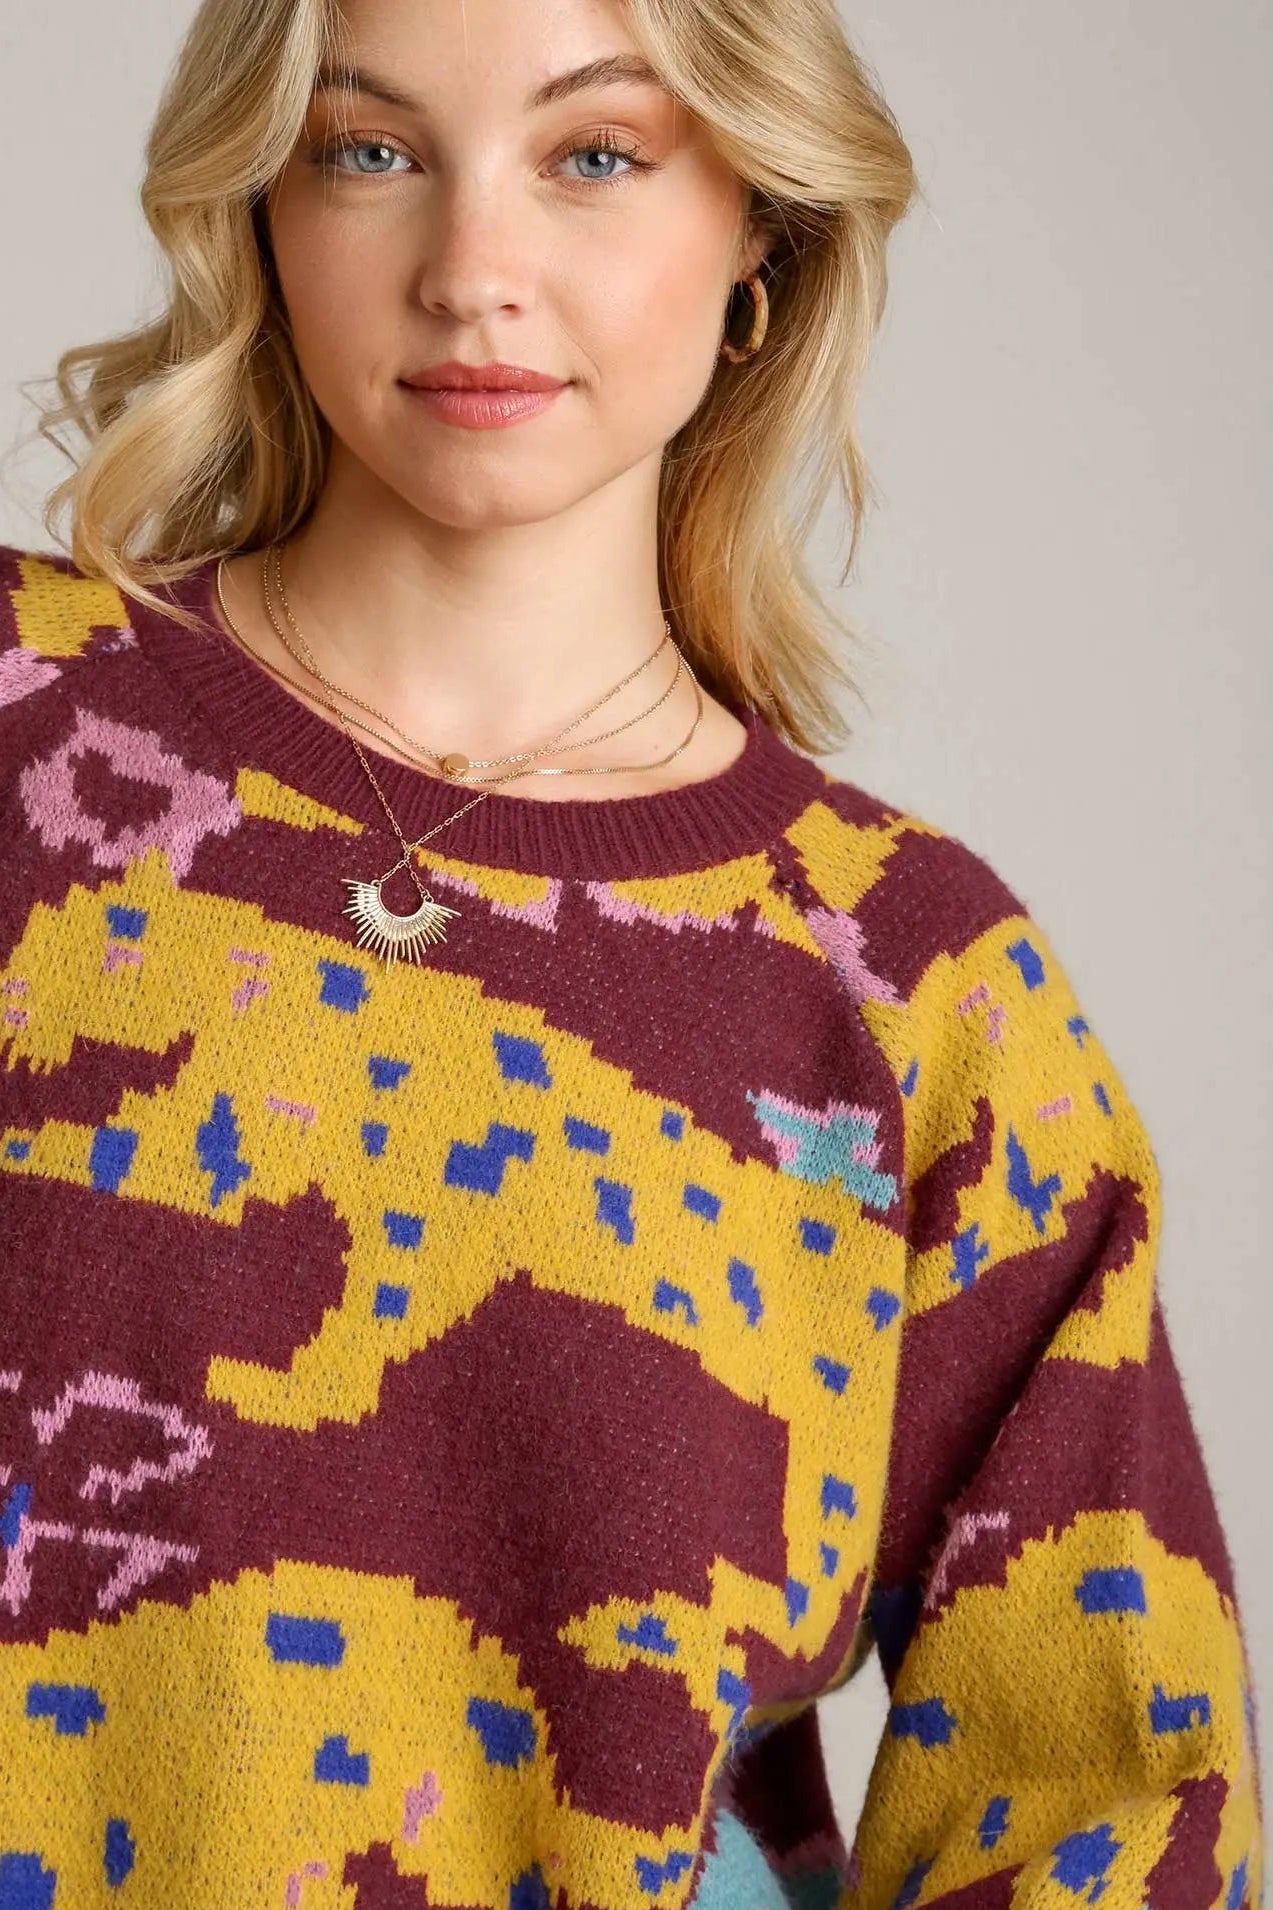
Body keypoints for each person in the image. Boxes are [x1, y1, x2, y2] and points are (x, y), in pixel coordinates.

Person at [0, 0, 1263, 1903]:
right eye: (370, 151)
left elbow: (1114, 1796)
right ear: (261, 205)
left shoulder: (909, 988)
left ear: (757, 232)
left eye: (594, 155)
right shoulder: (26, 727)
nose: (471, 269)